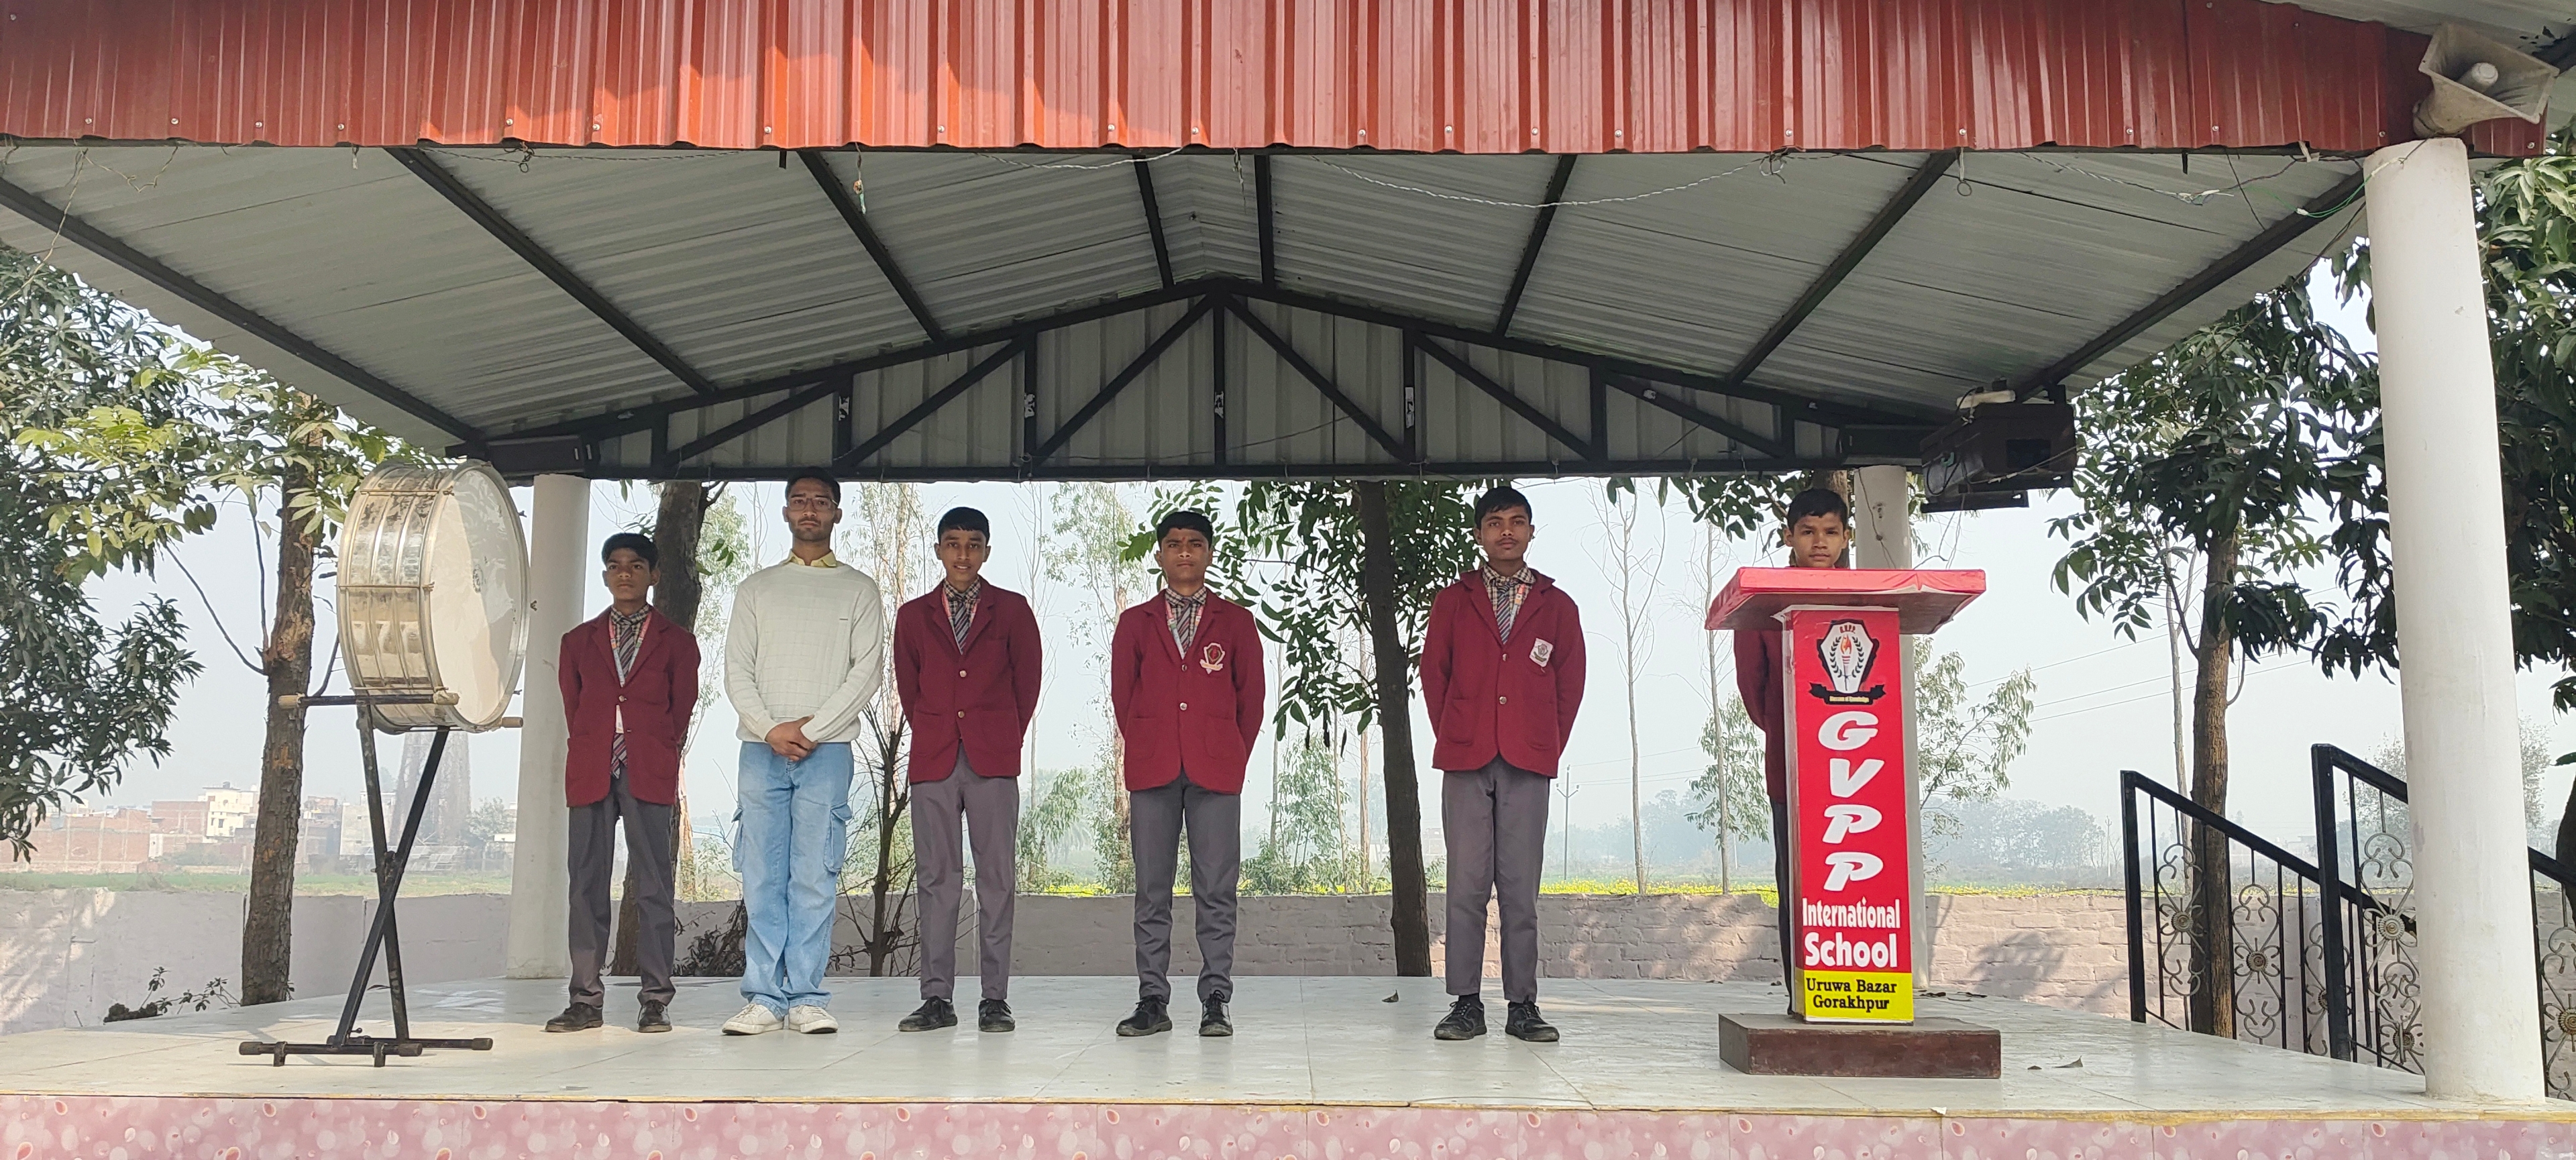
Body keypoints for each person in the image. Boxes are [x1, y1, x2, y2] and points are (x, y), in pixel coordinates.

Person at [720, 468, 888, 1037]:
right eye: (800, 501)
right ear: (786, 512)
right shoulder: (756, 588)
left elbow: (866, 674)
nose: (810, 510)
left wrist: (811, 729)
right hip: (760, 750)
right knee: (763, 874)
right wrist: (771, 729)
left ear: (838, 513)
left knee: (814, 875)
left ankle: (807, 996)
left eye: (821, 501)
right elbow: (736, 671)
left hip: (827, 750)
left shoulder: (859, 589)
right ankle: (764, 996)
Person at [1421, 486, 1586, 1043]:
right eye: (1495, 523)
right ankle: (1466, 1002)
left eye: (1518, 522)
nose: (1507, 532)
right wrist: (1457, 731)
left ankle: (1523, 1005)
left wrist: (1544, 743)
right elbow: (1433, 675)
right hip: (1467, 757)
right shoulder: (1453, 599)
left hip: (1527, 761)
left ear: (1533, 532)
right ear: (1479, 534)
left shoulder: (1557, 606)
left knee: (1520, 888)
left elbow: (1571, 684)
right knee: (1466, 885)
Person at [1109, 510, 1264, 1038]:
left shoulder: (1236, 621)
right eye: (1173, 544)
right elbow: (1122, 696)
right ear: (1159, 553)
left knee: (1216, 888)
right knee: (1152, 889)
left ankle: (1216, 997)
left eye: (1195, 543)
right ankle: (1153, 997)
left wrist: (1230, 754)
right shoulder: (1136, 622)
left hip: (1216, 770)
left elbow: (1253, 700)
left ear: (1209, 552)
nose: (1184, 552)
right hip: (1152, 767)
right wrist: (1150, 742)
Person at [892, 507, 1042, 1034]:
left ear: (986, 551)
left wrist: (1002, 734)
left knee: (996, 879)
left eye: (973, 544)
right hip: (933, 758)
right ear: (937, 549)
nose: (962, 553)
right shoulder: (913, 615)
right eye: (952, 543)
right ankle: (936, 997)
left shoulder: (1013, 610)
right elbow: (910, 689)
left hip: (992, 759)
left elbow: (1028, 685)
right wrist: (938, 729)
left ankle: (994, 998)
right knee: (938, 881)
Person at [547, 533, 700, 1035]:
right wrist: (600, 744)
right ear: (605, 575)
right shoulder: (578, 640)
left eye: (636, 566)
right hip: (592, 768)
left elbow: (681, 709)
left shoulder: (677, 641)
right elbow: (575, 707)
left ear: (654, 574)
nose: (625, 574)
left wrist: (653, 749)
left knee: (654, 887)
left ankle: (655, 998)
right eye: (615, 566)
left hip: (648, 768)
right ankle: (585, 999)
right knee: (585, 884)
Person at [1733, 486, 1853, 1011]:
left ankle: (1862, 987)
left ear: (1847, 537)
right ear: (1788, 536)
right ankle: (1802, 992)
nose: (1819, 542)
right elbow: (1754, 690)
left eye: (1830, 532)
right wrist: (1790, 732)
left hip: (1861, 768)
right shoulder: (1766, 600)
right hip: (1795, 765)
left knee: (1858, 880)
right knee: (1799, 880)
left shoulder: (1870, 596)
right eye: (1808, 531)